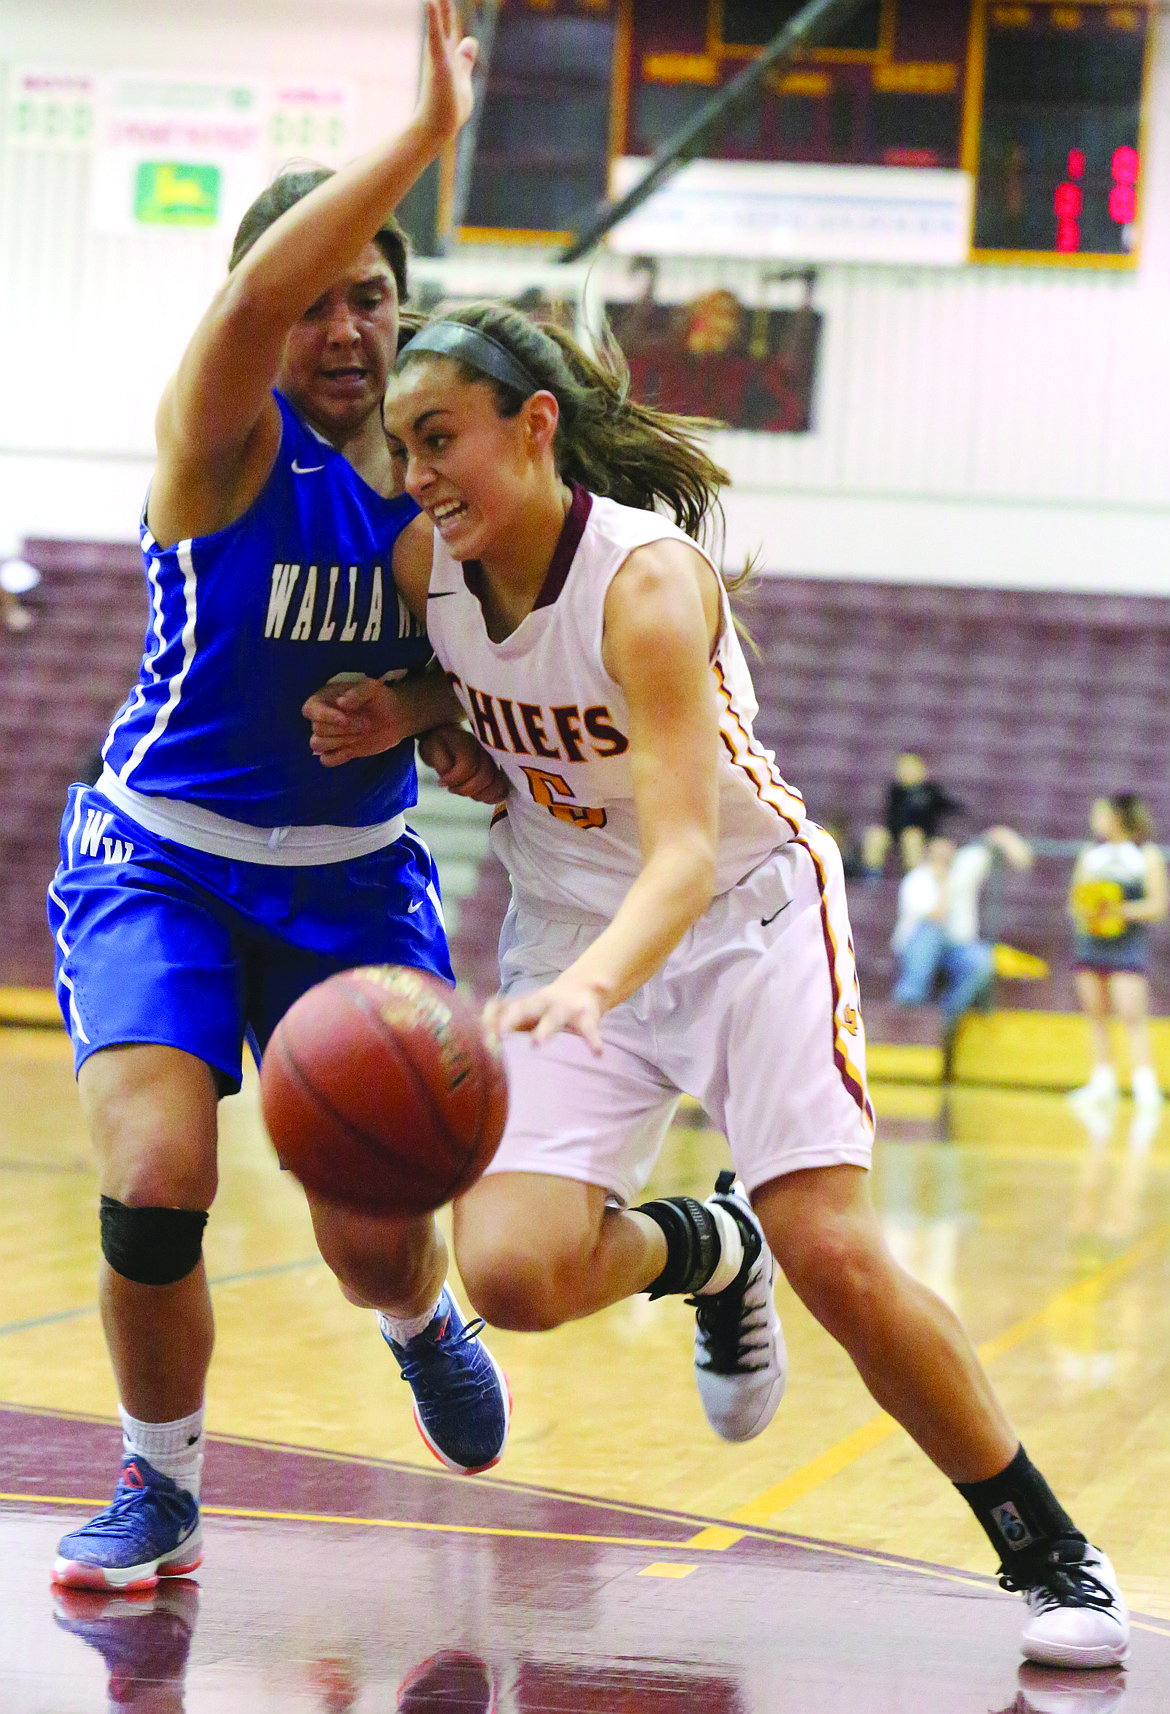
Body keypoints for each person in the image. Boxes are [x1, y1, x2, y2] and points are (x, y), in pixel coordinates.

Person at [308, 301, 1129, 1670]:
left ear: (536, 423)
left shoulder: (646, 582)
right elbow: (484, 695)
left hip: (742, 921)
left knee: (836, 1254)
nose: (420, 472)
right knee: (508, 1271)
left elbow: (684, 850)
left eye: (440, 435)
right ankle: (708, 1248)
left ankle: (1046, 1544)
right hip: (572, 926)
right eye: (402, 445)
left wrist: (595, 984)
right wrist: (418, 716)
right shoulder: (422, 568)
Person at [46, 1, 510, 1595]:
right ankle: (159, 1480)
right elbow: (250, 292)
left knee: (371, 1225)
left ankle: (413, 1316)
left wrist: (426, 706)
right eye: (314, 301)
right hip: (162, 858)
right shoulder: (220, 437)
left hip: (355, 876)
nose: (342, 329)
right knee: (158, 1173)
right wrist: (424, 138)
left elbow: (493, 679)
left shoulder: (435, 477)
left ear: (405, 316)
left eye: (370, 298)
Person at [1069, 793, 1167, 1108]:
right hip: (1091, 942)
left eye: (1101, 813)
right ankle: (1102, 1081)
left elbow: (1158, 905)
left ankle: (1144, 1083)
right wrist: (1088, 911)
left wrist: (1119, 911)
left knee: (1132, 1014)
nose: (1094, 819)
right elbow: (1075, 900)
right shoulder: (1091, 854)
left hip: (1127, 946)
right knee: (1095, 1014)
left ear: (1118, 817)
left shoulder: (1145, 855)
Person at [892, 824, 1034, 1030]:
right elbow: (937, 917)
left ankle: (945, 1018)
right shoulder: (917, 880)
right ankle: (908, 1004)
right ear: (928, 850)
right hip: (920, 949)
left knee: (983, 961)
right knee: (930, 934)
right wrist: (942, 884)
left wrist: (1011, 844)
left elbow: (992, 837)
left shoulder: (964, 866)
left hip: (957, 948)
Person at [863, 752, 964, 877]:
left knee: (911, 837)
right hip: (896, 832)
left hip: (922, 835)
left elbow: (950, 806)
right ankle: (872, 876)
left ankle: (912, 876)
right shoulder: (895, 790)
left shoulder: (931, 791)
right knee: (875, 834)